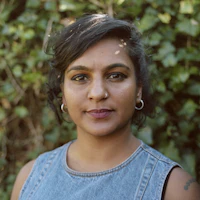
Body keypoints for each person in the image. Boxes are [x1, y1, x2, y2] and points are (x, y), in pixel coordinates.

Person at [11, 14, 200, 200]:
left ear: (138, 90)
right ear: (63, 93)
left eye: (116, 75)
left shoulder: (174, 189)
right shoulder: (30, 179)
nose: (98, 93)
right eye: (80, 77)